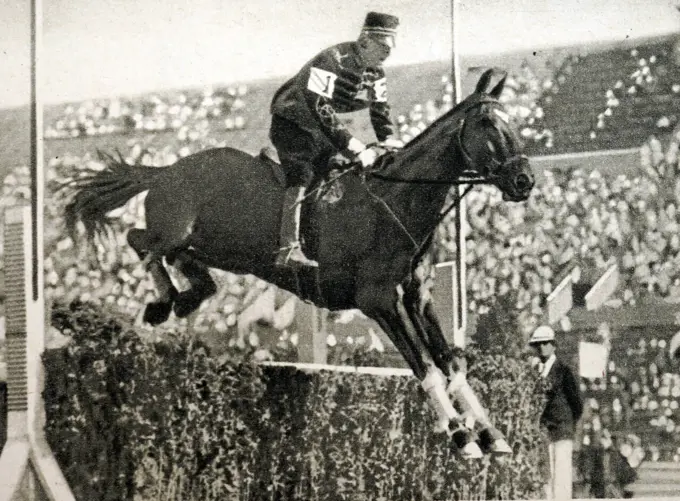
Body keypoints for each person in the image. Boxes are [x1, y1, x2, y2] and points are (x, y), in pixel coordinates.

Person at [269, 11, 404, 268]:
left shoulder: (376, 73)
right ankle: (287, 249)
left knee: (336, 174)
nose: (388, 54)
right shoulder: (331, 60)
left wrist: (388, 139)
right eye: (384, 47)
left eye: (391, 48)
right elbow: (319, 106)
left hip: (321, 129)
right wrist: (353, 145)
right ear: (365, 41)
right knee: (302, 176)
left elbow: (380, 109)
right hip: (292, 122)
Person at [529, 325, 584, 500]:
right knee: (547, 472)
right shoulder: (535, 371)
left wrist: (568, 422)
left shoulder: (563, 370)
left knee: (561, 472)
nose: (542, 347)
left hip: (561, 427)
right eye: (538, 344)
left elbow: (576, 402)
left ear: (553, 345)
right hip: (544, 429)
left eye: (546, 343)